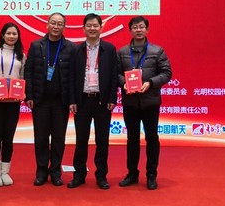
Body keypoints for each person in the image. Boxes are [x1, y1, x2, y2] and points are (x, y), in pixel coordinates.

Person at [117, 16, 172, 190]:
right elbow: (115, 74)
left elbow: (167, 73)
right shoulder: (122, 52)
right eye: (135, 27)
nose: (138, 30)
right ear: (130, 31)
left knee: (152, 138)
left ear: (147, 30)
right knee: (132, 139)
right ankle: (132, 173)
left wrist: (151, 83)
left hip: (150, 102)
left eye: (141, 27)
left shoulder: (157, 51)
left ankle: (151, 175)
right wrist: (123, 83)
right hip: (131, 102)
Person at [68, 13, 118, 190]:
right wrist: (72, 100)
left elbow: (114, 75)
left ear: (101, 27)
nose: (92, 28)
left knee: (102, 141)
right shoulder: (76, 50)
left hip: (102, 101)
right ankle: (79, 175)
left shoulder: (109, 49)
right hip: (82, 101)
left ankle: (101, 176)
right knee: (81, 140)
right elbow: (71, 77)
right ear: (83, 28)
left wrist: (112, 98)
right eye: (88, 25)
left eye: (95, 25)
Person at [25, 13, 75, 186]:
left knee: (58, 138)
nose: (56, 26)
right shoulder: (36, 45)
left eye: (60, 24)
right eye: (53, 23)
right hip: (40, 100)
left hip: (61, 101)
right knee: (41, 138)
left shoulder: (70, 47)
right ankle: (41, 171)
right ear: (47, 24)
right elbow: (28, 71)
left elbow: (73, 76)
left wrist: (72, 100)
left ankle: (55, 172)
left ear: (64, 27)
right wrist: (29, 95)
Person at [0, 22, 26, 187]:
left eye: (14, 34)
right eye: (8, 33)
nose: (11, 36)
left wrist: (22, 92)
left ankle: (5, 171)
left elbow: (22, 78)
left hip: (13, 103)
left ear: (18, 36)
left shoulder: (21, 55)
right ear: (2, 35)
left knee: (8, 138)